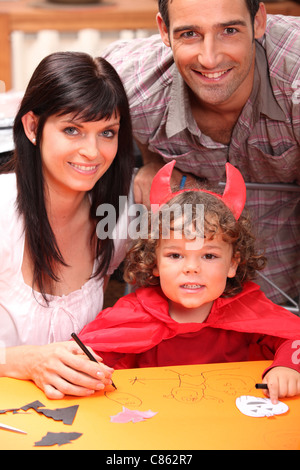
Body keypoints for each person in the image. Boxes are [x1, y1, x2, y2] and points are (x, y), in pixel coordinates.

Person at [101, 0, 300, 306]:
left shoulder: (294, 78)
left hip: (285, 282)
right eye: (190, 33)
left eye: (229, 30)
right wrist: (150, 160)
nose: (209, 59)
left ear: (259, 21)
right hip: (183, 298)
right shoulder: (130, 89)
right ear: (164, 31)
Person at [79, 161, 300, 405]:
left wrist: (287, 367)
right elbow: (88, 355)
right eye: (175, 255)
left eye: (209, 256)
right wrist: (87, 368)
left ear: (232, 264)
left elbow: (294, 338)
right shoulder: (132, 314)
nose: (191, 267)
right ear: (154, 262)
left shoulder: (248, 308)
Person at [0, 51, 134, 399]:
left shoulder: (116, 219)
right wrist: (23, 361)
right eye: (72, 130)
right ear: (32, 127)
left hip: (76, 419)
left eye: (107, 132)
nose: (92, 151)